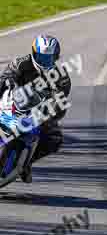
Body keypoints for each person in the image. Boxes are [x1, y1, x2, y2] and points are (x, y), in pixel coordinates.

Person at [0, 35, 69, 182]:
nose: (44, 61)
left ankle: (27, 163)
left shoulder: (61, 76)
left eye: (48, 58)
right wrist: (9, 82)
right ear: (33, 53)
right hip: (13, 101)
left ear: (55, 57)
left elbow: (62, 99)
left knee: (55, 139)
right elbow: (5, 77)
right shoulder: (20, 63)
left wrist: (53, 109)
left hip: (38, 111)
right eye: (41, 57)